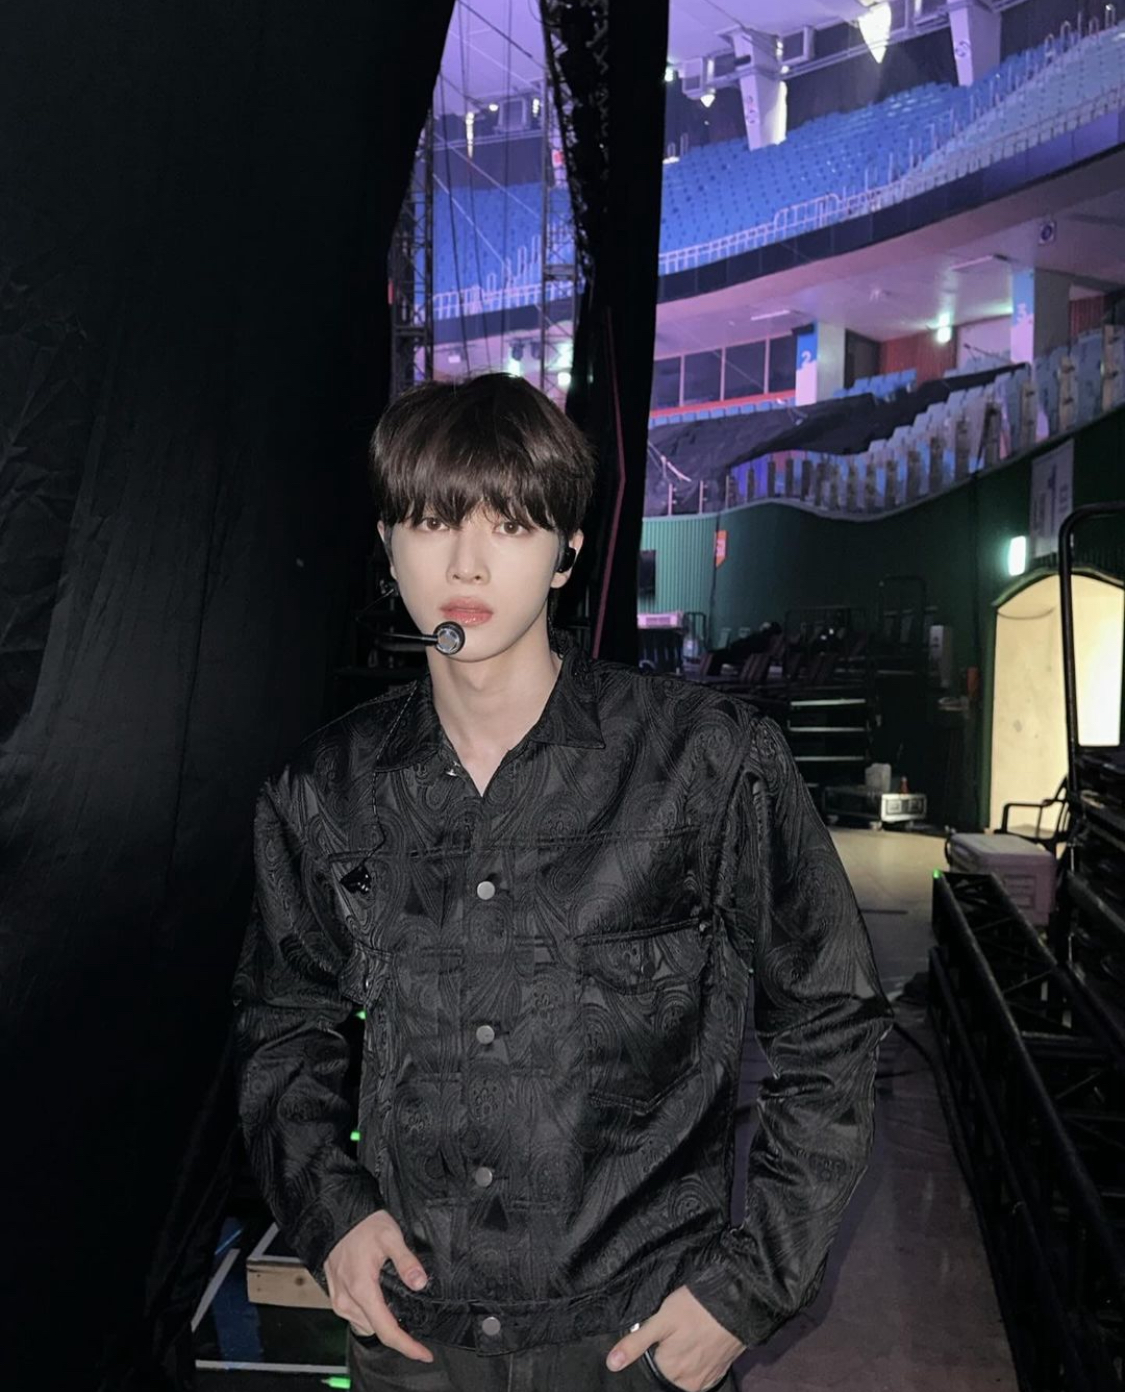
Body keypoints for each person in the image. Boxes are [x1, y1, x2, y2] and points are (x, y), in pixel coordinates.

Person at [232, 372, 894, 1392]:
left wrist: (749, 1287)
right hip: (417, 1341)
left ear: (567, 552)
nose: (465, 561)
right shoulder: (322, 793)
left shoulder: (706, 763)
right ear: (388, 544)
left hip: (635, 1339)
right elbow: (284, 1022)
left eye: (509, 523)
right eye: (431, 520)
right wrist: (331, 1215)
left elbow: (831, 1017)